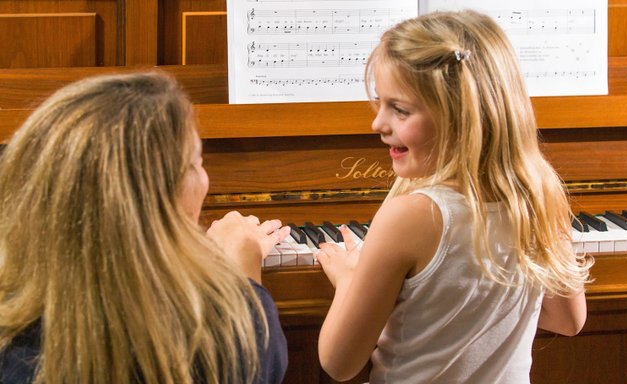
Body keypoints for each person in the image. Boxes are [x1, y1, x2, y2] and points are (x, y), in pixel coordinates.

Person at [316, 10, 593, 384]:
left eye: (399, 109)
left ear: (459, 115)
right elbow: (568, 320)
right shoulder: (539, 194)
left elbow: (339, 362)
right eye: (380, 103)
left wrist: (348, 280)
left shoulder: (411, 215)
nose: (377, 124)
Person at [0, 71, 290, 384]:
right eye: (195, 162)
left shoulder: (16, 339)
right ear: (151, 205)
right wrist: (239, 277)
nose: (203, 177)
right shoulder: (225, 333)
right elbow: (257, 358)